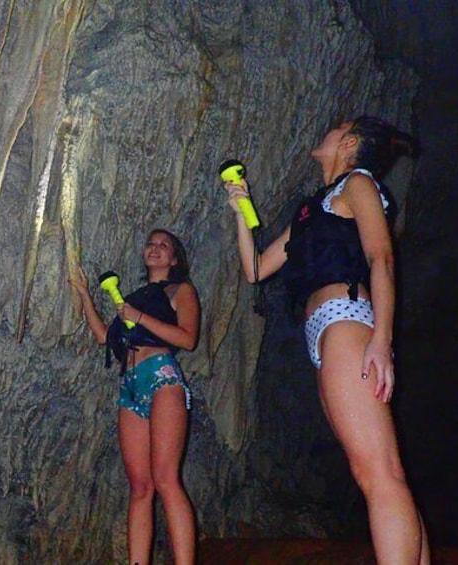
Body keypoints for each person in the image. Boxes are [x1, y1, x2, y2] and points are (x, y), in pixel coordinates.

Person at [223, 116, 430, 564]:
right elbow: (255, 269)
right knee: (376, 470)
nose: (327, 131)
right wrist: (242, 210)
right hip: (324, 333)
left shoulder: (358, 183)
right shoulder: (313, 208)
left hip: (349, 319)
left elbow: (381, 259)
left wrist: (382, 340)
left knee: (378, 472)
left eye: (337, 128)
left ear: (350, 142)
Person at [69, 229, 200, 565]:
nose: (155, 248)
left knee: (166, 479)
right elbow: (103, 337)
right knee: (140, 488)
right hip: (130, 386)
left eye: (164, 245)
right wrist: (85, 295)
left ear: (174, 258)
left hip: (161, 377)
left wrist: (137, 316)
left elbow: (187, 338)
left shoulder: (180, 290)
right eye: (151, 243)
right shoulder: (132, 298)